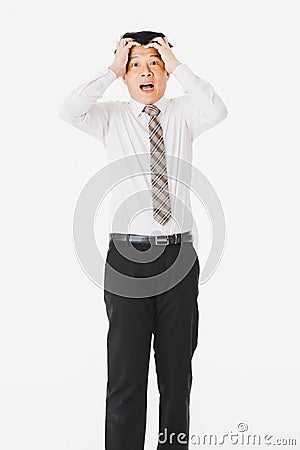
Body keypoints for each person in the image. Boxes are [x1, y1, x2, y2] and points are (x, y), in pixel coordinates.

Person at [58, 30, 228, 450]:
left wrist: (177, 63)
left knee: (176, 380)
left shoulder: (183, 113)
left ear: (167, 72)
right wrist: (111, 68)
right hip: (127, 258)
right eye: (137, 65)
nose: (146, 71)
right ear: (125, 75)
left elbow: (218, 109)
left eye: (155, 63)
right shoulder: (111, 116)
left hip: (178, 257)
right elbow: (69, 110)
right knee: (125, 379)